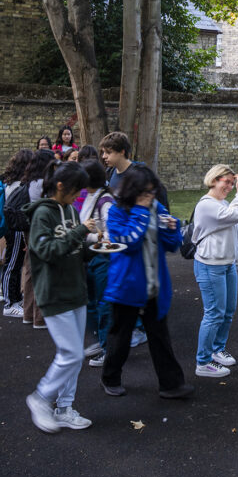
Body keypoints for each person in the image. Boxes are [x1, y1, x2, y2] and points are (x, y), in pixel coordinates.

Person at [101, 164, 192, 400]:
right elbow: (129, 242)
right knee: (120, 337)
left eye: (152, 192)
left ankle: (171, 384)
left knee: (160, 337)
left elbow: (172, 245)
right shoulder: (117, 212)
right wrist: (141, 212)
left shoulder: (156, 207)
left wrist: (172, 229)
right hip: (127, 287)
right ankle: (110, 377)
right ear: (133, 191)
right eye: (145, 192)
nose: (150, 197)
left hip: (154, 286)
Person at [24, 160, 98, 432]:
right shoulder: (43, 214)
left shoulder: (69, 209)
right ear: (59, 186)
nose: (78, 196)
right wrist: (81, 231)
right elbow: (47, 252)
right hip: (53, 292)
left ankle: (65, 407)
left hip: (75, 290)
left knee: (73, 355)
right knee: (71, 354)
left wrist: (96, 249)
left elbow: (75, 249)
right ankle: (41, 398)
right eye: (75, 190)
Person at [193, 165, 238, 379]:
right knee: (214, 313)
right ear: (214, 179)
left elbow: (235, 235)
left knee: (228, 310)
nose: (230, 186)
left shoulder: (223, 204)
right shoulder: (206, 206)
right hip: (210, 264)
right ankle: (203, 361)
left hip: (227, 263)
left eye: (233, 183)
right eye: (227, 181)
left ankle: (217, 348)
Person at [79, 160, 116, 367]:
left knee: (103, 305)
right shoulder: (91, 196)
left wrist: (91, 235)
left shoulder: (105, 201)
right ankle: (100, 342)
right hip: (91, 258)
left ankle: (108, 348)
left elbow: (109, 237)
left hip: (102, 259)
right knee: (92, 302)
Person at [18, 149, 56, 328]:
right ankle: (40, 318)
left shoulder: (29, 181)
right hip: (41, 228)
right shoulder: (44, 183)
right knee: (41, 272)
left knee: (29, 271)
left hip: (29, 229)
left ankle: (28, 314)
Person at [1, 149, 34, 318]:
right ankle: (9, 302)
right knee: (12, 264)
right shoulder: (15, 184)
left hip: (15, 228)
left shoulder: (15, 181)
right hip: (13, 230)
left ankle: (15, 297)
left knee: (16, 263)